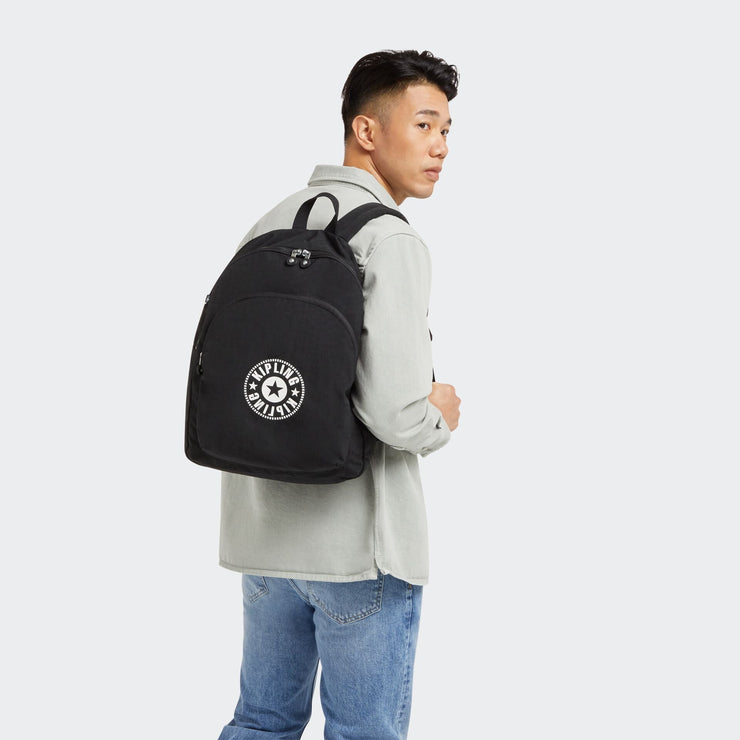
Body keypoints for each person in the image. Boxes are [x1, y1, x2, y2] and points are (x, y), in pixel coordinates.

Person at [217, 49, 461, 740]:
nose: (441, 147)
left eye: (448, 130)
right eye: (424, 124)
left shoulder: (270, 223)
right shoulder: (388, 239)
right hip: (360, 551)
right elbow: (396, 414)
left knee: (260, 722)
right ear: (366, 130)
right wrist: (439, 414)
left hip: (263, 540)